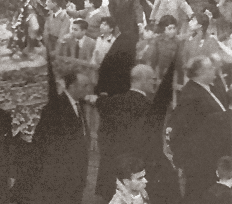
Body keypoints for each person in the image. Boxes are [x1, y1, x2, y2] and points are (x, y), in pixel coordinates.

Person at [170, 55, 228, 204]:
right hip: (201, 159)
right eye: (210, 67)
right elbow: (183, 130)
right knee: (198, 194)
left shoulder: (209, 88)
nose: (214, 69)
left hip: (213, 153)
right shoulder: (191, 96)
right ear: (200, 72)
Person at [95, 65, 156, 201]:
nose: (155, 82)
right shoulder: (148, 107)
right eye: (153, 79)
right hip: (133, 173)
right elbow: (148, 144)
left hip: (110, 169)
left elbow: (102, 135)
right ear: (143, 79)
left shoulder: (112, 102)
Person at [29, 71, 91, 204]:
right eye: (84, 86)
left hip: (76, 172)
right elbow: (42, 140)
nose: (88, 89)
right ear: (72, 86)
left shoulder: (79, 105)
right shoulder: (55, 107)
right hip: (61, 174)